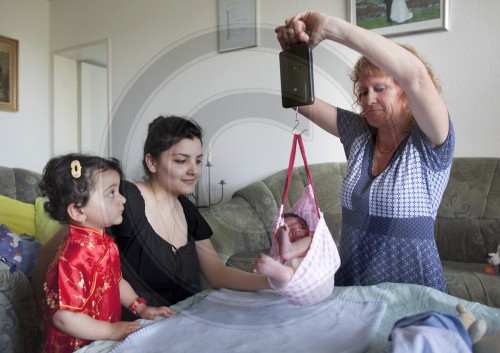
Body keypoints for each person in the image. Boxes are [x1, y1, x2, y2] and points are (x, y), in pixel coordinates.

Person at [275, 11, 454, 293]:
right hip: (352, 286)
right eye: (363, 91)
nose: (368, 100)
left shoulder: (430, 140)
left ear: (406, 93)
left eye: (380, 88)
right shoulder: (358, 133)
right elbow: (299, 99)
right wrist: (294, 52)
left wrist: (330, 27)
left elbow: (415, 75)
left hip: (415, 292)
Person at [110, 116, 270, 309]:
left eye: (198, 161)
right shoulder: (124, 198)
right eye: (181, 161)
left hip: (184, 321)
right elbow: (75, 239)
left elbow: (217, 273)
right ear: (152, 163)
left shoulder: (188, 210)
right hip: (134, 328)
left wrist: (270, 282)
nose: (194, 170)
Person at [38, 154, 174, 353]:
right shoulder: (73, 257)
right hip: (74, 348)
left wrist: (140, 308)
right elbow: (63, 318)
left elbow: (116, 281)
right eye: (111, 193)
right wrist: (111, 331)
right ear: (78, 211)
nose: (122, 199)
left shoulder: (105, 243)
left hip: (101, 340)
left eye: (118, 191)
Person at [252, 213, 313, 288]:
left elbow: (287, 253)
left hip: (312, 275)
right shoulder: (279, 249)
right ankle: (280, 273)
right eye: (289, 229)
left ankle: (282, 274)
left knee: (287, 272)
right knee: (285, 274)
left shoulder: (310, 240)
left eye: (303, 226)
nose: (297, 230)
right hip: (293, 278)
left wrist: (283, 235)